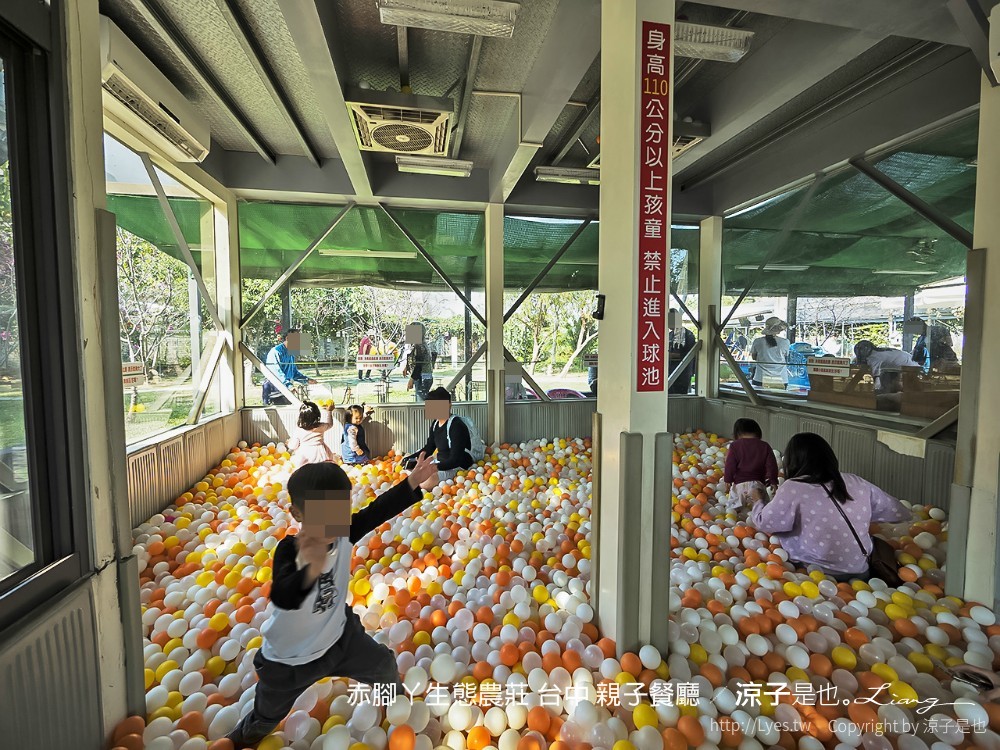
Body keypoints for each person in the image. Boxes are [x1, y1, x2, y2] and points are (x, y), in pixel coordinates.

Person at [225, 454, 437, 748]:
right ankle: (237, 740)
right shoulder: (290, 550)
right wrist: (310, 568)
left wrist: (412, 481)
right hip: (290, 658)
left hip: (339, 638)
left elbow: (377, 511)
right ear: (297, 514)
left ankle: (397, 708)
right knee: (267, 716)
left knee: (383, 667)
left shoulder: (343, 533)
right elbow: (284, 595)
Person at [749, 432, 908, 581]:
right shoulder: (856, 481)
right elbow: (899, 512)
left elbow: (765, 523)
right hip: (861, 570)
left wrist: (758, 500)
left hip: (816, 573)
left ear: (791, 462)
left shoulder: (793, 487)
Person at [402, 387, 476, 490]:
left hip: (457, 466)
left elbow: (455, 460)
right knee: (409, 470)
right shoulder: (435, 424)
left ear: (449, 404)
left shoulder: (456, 425)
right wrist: (409, 459)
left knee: (426, 482)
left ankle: (415, 480)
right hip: (440, 463)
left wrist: (433, 468)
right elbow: (428, 449)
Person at [722, 418, 779, 510]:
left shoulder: (735, 445)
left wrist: (728, 480)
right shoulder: (765, 446)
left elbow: (730, 464)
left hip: (740, 485)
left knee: (733, 510)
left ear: (736, 434)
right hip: (758, 485)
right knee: (761, 508)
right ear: (758, 432)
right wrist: (773, 481)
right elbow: (771, 466)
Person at [263, 329, 316, 405]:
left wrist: (307, 380)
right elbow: (276, 372)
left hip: (286, 391)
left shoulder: (291, 354)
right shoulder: (275, 352)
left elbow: (294, 373)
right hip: (274, 390)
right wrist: (289, 385)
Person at [287, 401, 337, 467]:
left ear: (301, 417)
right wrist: (329, 412)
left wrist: (289, 443)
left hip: (306, 456)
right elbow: (330, 424)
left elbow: (293, 446)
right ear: (318, 416)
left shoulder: (299, 430)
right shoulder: (321, 426)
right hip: (321, 455)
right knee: (321, 469)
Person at [749, 317, 791, 388]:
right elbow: (785, 356)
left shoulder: (757, 341)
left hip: (760, 378)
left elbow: (754, 357)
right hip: (781, 379)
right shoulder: (785, 342)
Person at [667, 309, 697, 395]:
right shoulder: (670, 335)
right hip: (670, 372)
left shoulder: (687, 335)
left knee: (679, 395)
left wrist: (671, 355)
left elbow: (689, 354)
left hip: (682, 374)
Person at [403, 323, 434, 402]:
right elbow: (417, 361)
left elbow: (419, 365)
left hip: (422, 378)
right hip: (424, 377)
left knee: (421, 404)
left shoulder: (419, 346)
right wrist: (407, 367)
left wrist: (411, 379)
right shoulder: (421, 345)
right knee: (421, 402)